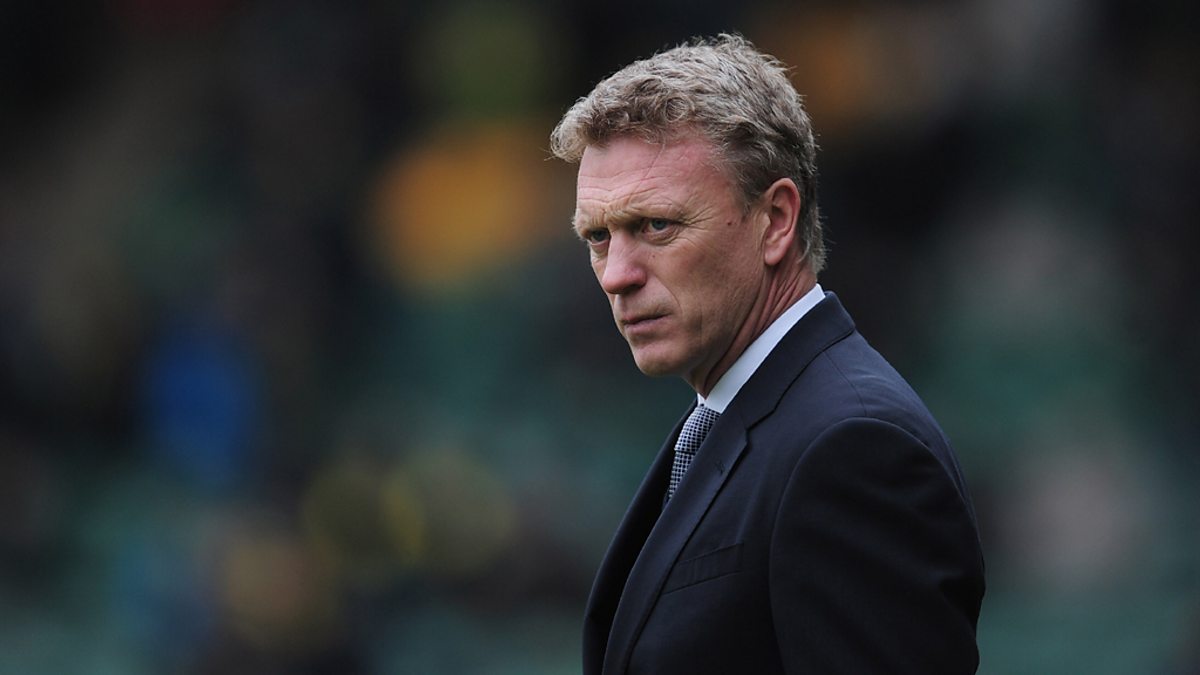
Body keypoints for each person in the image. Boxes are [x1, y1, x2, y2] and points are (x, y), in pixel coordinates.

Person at [550, 34, 985, 674]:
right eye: (597, 237)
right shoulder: (741, 417)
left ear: (776, 220)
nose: (617, 274)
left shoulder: (855, 447)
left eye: (656, 225)